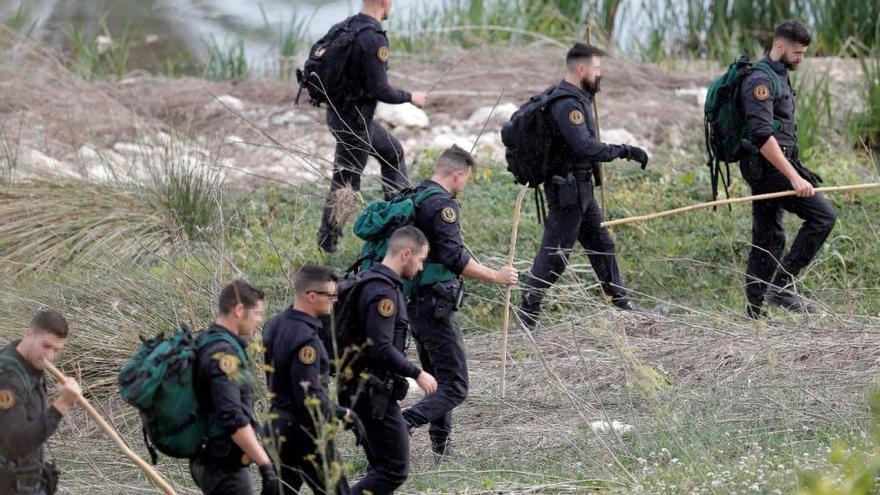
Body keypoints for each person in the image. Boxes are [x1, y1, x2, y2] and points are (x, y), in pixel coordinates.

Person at [518, 43, 654, 328]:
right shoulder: (567, 104)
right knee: (555, 255)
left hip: (581, 190)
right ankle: (527, 315)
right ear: (581, 69)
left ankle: (622, 304)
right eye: (596, 69)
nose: (600, 74)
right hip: (566, 192)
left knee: (602, 244)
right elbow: (584, 147)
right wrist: (625, 151)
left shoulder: (579, 98)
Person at [401, 145, 519, 456]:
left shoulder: (413, 197)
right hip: (435, 306)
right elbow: (454, 257)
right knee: (455, 386)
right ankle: (402, 424)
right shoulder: (442, 206)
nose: (463, 186)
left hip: (413, 303)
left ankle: (442, 447)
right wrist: (497, 276)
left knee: (438, 381)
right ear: (457, 175)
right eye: (464, 180)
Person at [739, 20, 836, 319]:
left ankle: (754, 314)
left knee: (768, 237)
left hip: (770, 167)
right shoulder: (760, 81)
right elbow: (762, 136)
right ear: (780, 46)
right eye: (798, 53)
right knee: (823, 217)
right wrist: (794, 177)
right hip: (768, 169)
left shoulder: (778, 73)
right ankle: (781, 285)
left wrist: (797, 168)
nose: (800, 59)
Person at [317, 0, 428, 253]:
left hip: (340, 116)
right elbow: (381, 90)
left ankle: (398, 217)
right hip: (354, 124)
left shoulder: (343, 27)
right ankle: (328, 241)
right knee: (346, 185)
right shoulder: (373, 38)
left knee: (392, 152)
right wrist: (411, 97)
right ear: (384, 1)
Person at [342, 226, 438, 495]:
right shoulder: (382, 292)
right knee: (393, 469)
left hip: (359, 388)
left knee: (380, 468)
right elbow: (380, 347)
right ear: (406, 254)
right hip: (370, 392)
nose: (420, 269)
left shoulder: (370, 281)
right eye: (420, 260)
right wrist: (417, 373)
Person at [263, 265, 360, 495]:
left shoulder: (274, 325)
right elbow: (309, 398)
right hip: (306, 433)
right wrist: (344, 413)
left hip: (278, 429)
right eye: (331, 295)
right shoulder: (306, 340)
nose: (335, 300)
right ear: (312, 296)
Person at [190, 280, 278, 495]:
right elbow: (231, 417)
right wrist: (265, 465)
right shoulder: (223, 353)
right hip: (223, 466)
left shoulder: (208, 339)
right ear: (239, 310)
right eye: (256, 313)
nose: (259, 321)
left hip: (210, 459)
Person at [0, 310, 82, 495]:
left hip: (29, 481)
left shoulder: (30, 365)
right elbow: (16, 440)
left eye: (56, 350)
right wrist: (63, 404)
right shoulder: (7, 376)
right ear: (29, 334)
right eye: (46, 346)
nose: (50, 356)